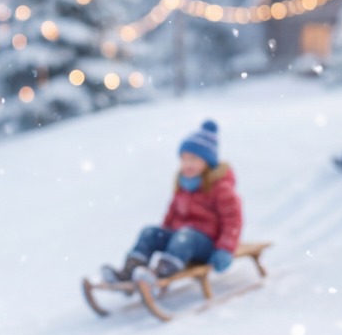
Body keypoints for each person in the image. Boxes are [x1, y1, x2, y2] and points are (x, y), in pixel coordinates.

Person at [100, 120, 243, 285]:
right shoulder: (183, 185)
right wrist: (161, 235)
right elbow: (172, 213)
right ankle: (129, 272)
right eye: (184, 159)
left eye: (193, 159)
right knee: (149, 232)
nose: (187, 164)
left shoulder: (220, 188)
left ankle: (158, 274)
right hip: (179, 239)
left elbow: (233, 221)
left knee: (185, 235)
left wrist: (225, 249)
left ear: (207, 161)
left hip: (207, 245)